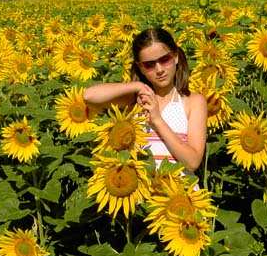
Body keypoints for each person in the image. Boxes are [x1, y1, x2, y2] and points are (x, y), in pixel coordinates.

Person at [83, 28, 207, 173]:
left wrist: (157, 120)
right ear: (140, 67)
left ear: (176, 56)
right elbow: (89, 96)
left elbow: (192, 162)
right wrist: (137, 86)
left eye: (164, 59)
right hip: (141, 186)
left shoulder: (192, 101)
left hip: (179, 186)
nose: (159, 69)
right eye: (149, 64)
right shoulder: (135, 100)